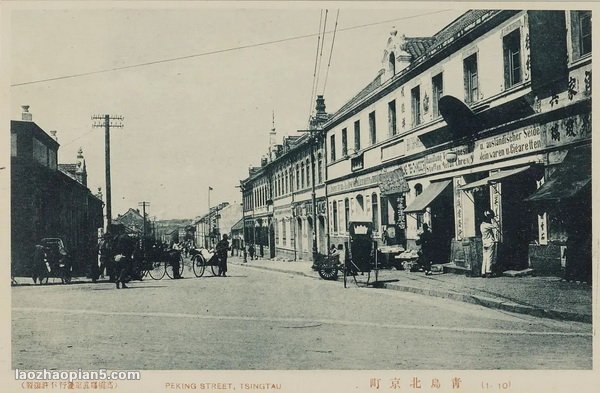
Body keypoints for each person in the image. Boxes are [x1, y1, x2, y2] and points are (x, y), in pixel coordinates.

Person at [480, 210, 499, 278]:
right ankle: (488, 272)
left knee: (484, 258)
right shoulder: (487, 225)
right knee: (490, 258)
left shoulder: (482, 225)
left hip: (484, 243)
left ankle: (483, 272)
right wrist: (493, 219)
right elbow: (496, 226)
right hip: (490, 242)